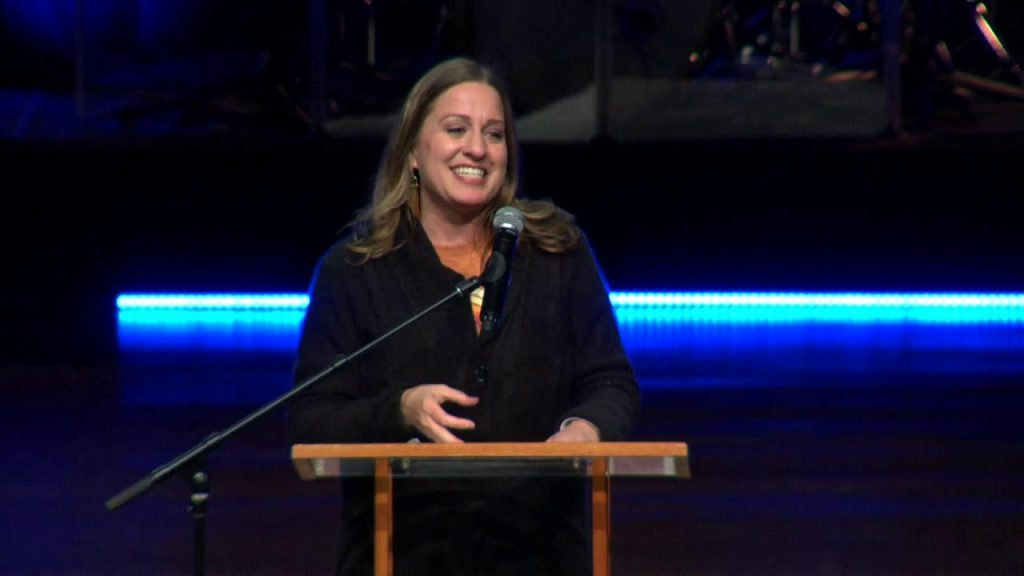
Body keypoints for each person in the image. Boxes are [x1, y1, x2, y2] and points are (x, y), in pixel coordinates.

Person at [288, 56, 639, 576]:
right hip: (406, 553)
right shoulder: (355, 272)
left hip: (539, 552)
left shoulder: (557, 253)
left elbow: (610, 381)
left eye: (494, 134)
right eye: (456, 129)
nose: (477, 148)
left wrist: (586, 427)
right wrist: (400, 409)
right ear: (412, 151)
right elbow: (313, 418)